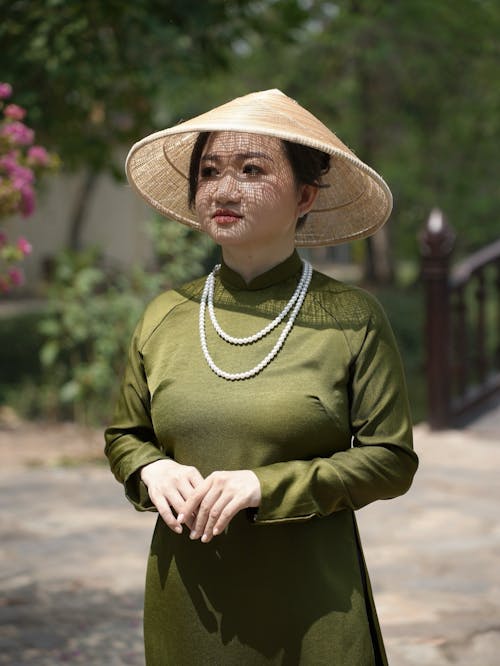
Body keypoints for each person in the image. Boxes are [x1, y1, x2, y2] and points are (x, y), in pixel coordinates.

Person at [105, 89, 418, 665]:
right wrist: (151, 468)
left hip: (314, 609)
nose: (223, 190)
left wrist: (264, 486)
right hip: (189, 605)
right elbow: (125, 436)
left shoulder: (351, 317)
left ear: (305, 195)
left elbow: (390, 460)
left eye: (252, 170)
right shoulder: (164, 315)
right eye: (209, 172)